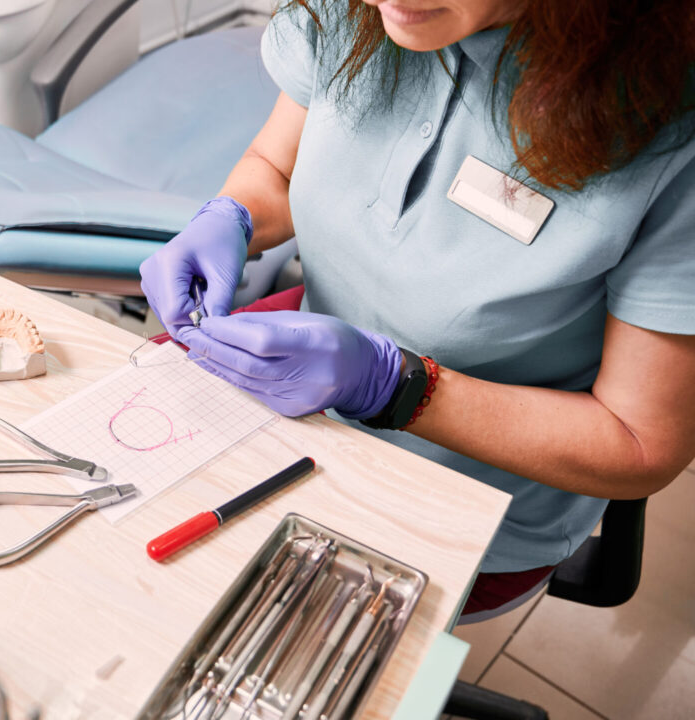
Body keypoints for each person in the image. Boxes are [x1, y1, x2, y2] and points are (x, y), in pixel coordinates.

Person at [140, 0, 695, 621]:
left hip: (467, 502)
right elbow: (274, 165)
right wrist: (230, 216)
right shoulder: (352, 13)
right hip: (303, 373)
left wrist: (395, 387)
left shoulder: (673, 138)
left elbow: (641, 444)